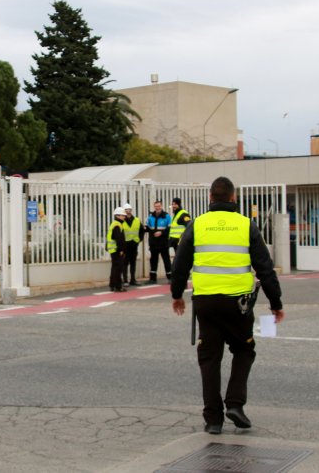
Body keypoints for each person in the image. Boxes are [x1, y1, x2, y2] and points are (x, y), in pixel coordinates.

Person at [170, 176, 284, 435]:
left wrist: (177, 295)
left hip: (206, 302)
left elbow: (180, 265)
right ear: (234, 198)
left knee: (209, 358)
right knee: (244, 350)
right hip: (238, 304)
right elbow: (265, 268)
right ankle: (235, 404)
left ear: (210, 197)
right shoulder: (246, 225)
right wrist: (276, 303)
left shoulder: (197, 224)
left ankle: (213, 420)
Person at [144, 200, 173, 284]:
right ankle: (152, 279)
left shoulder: (167, 216)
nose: (157, 207)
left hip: (163, 242)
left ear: (161, 206)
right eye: (156, 206)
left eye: (159, 206)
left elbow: (169, 228)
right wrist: (144, 228)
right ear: (154, 207)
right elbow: (147, 228)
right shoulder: (150, 217)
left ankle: (171, 278)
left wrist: (161, 233)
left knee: (166, 260)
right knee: (153, 261)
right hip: (153, 243)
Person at [105, 207, 129, 292]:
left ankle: (112, 285)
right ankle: (118, 286)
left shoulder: (114, 224)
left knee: (114, 268)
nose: (124, 217)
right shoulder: (117, 225)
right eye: (123, 215)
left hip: (113, 249)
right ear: (117, 216)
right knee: (118, 268)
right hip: (117, 250)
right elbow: (119, 239)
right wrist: (121, 249)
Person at [120, 203, 142, 286]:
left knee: (133, 263)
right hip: (125, 245)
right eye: (126, 210)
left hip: (134, 244)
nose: (128, 211)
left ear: (131, 210)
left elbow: (142, 231)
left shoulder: (137, 220)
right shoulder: (121, 221)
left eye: (129, 210)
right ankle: (125, 280)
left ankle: (133, 279)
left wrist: (139, 239)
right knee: (125, 263)